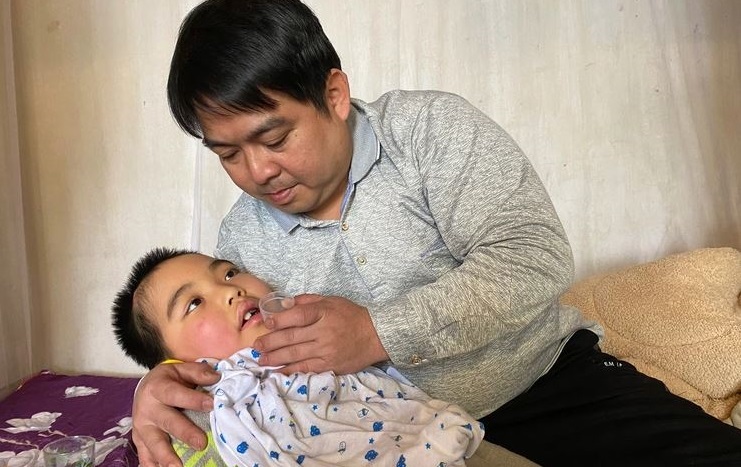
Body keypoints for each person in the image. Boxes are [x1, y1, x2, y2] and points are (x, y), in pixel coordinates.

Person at [131, 0, 741, 465]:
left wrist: (377, 331)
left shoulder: (428, 131)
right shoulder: (239, 241)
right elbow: (237, 370)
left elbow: (534, 257)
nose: (257, 172)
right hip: (378, 441)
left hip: (545, 385)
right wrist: (166, 385)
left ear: (334, 95)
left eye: (275, 138)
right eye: (228, 154)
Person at [113, 247, 484, 466]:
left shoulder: (319, 341)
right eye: (194, 303)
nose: (232, 290)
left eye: (229, 273)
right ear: (174, 364)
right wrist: (150, 384)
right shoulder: (222, 409)